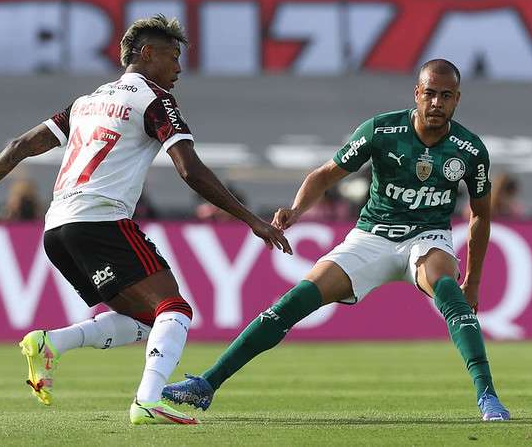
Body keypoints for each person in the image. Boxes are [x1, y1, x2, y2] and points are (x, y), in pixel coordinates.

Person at [0, 14, 290, 425]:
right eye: (172, 56)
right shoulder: (154, 99)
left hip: (57, 229)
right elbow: (192, 171)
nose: (179, 69)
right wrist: (251, 220)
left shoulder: (86, 102)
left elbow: (18, 145)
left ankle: (51, 343)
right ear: (147, 54)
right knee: (175, 311)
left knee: (143, 320)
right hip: (101, 221)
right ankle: (148, 400)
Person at [163, 59, 510, 421]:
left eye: (446, 96)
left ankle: (487, 397)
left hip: (428, 237)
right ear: (417, 94)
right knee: (294, 301)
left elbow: (481, 214)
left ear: (457, 99)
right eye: (430, 94)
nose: (437, 103)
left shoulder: (469, 150)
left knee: (449, 291)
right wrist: (296, 211)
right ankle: (206, 384)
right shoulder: (381, 130)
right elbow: (326, 175)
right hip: (372, 235)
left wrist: (473, 280)